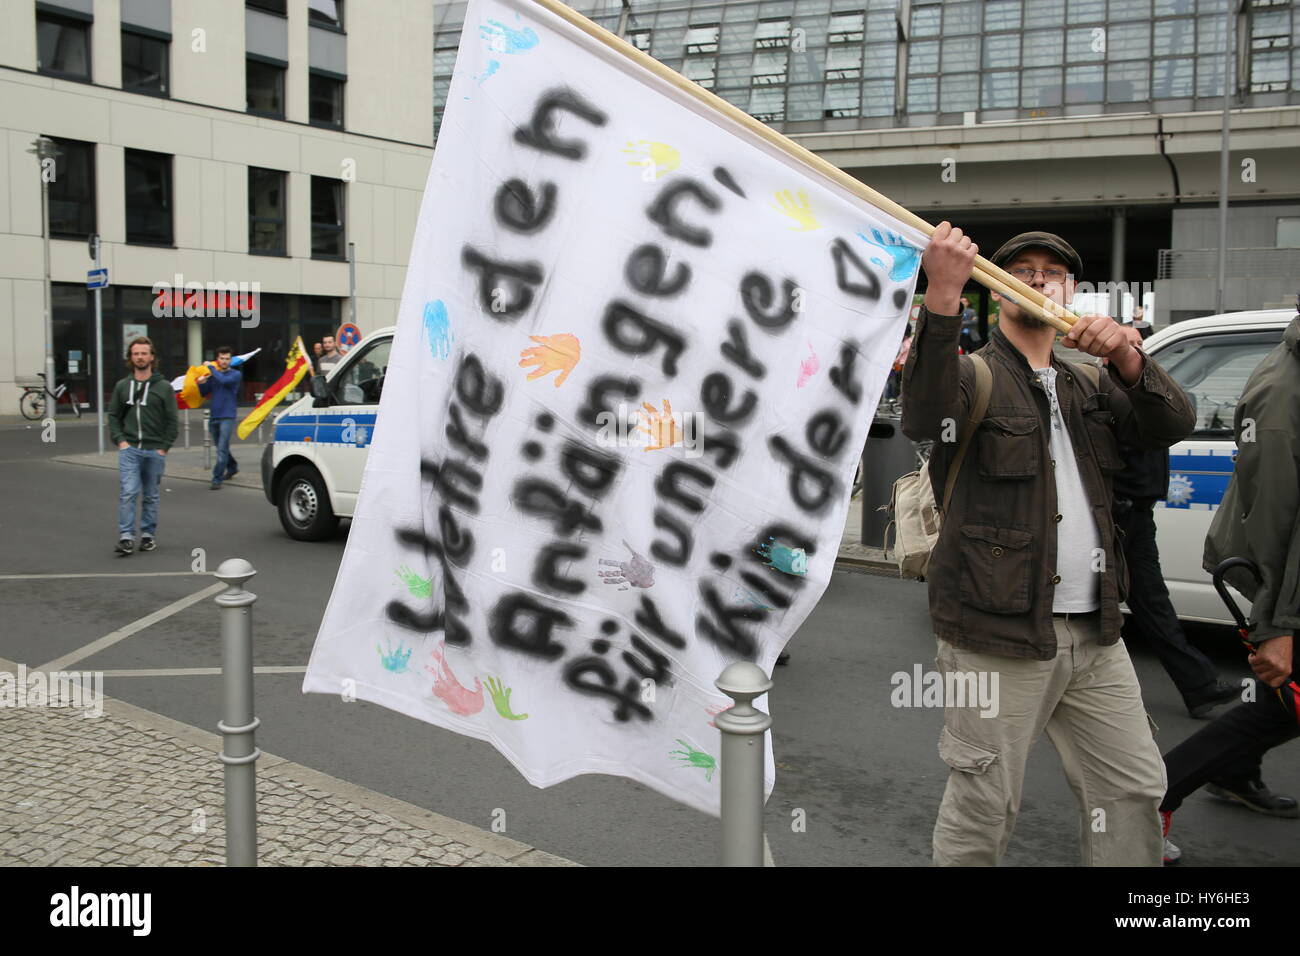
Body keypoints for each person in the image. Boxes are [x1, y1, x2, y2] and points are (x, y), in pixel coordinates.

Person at [902, 225, 1196, 866]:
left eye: (1053, 271)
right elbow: (923, 414)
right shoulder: (973, 375)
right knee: (985, 804)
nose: (1038, 280)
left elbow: (1171, 423)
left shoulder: (1089, 380)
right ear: (996, 288)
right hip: (994, 634)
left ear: (1073, 290)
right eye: (1023, 270)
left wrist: (1129, 360)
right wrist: (943, 294)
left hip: (1097, 633)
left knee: (1131, 789)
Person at [1160, 301, 1300, 852]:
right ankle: (1156, 795)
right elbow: (1274, 519)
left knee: (1278, 705)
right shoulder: (1284, 393)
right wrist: (1277, 623)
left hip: (1285, 579)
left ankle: (1230, 774)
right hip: (1283, 577)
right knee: (1283, 702)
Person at [1111, 328, 1238, 718]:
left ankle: (1199, 687)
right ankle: (1198, 686)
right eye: (1126, 345)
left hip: (1135, 514)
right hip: (1119, 515)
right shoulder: (1106, 394)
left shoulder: (1143, 392)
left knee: (1150, 605)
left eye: (1137, 345)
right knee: (1134, 607)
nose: (1135, 352)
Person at [109, 337, 178, 555]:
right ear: (130, 358)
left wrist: (163, 447)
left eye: (144, 353)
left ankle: (148, 535)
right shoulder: (122, 386)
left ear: (152, 357)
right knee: (128, 492)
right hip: (129, 449)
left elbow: (172, 421)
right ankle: (126, 537)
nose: (140, 357)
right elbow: (113, 416)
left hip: (154, 450)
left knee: (150, 495)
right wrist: (121, 441)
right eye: (136, 353)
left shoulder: (164, 387)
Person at [198, 346, 242, 490]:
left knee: (222, 448)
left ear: (230, 360)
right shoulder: (214, 375)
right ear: (218, 359)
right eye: (222, 358)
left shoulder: (235, 374)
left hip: (228, 415)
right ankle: (232, 467)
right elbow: (205, 392)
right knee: (221, 447)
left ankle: (217, 479)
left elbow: (223, 381)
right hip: (214, 415)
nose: (224, 361)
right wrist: (201, 383)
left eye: (227, 358)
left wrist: (211, 368)